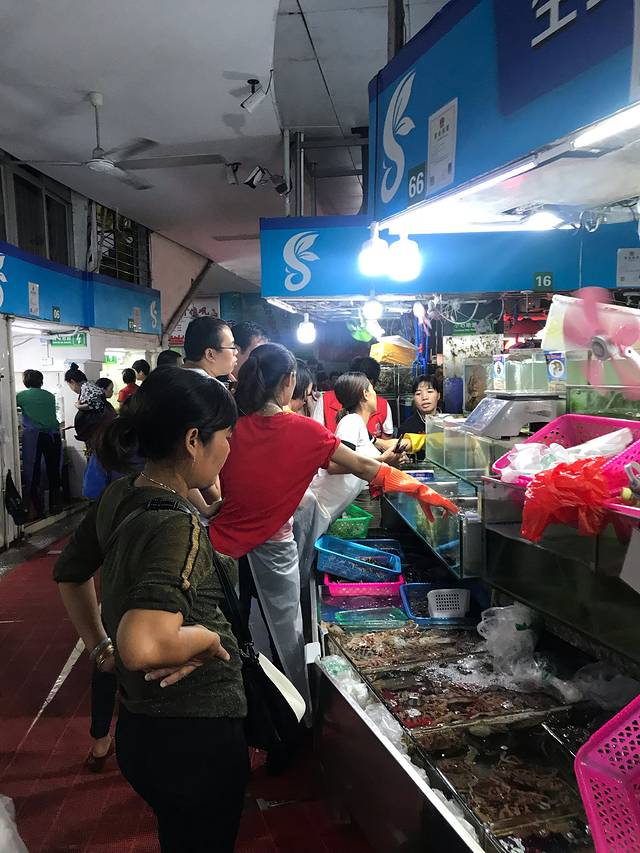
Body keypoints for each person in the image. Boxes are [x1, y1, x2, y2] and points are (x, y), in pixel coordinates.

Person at [54, 368, 248, 853]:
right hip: (194, 735)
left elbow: (70, 574)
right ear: (193, 440)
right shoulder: (176, 525)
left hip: (142, 727)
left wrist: (101, 649)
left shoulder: (122, 493)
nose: (230, 449)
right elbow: (143, 645)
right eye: (226, 437)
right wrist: (207, 639)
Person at [210, 344, 457, 721]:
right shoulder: (304, 431)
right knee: (286, 639)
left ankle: (244, 713)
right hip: (272, 551)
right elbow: (365, 467)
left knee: (233, 634)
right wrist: (419, 489)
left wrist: (211, 505)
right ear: (289, 381)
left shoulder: (229, 428)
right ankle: (297, 718)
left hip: (220, 549)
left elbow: (206, 478)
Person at [16, 369, 62, 517]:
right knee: (54, 471)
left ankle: (37, 509)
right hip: (53, 436)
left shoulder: (21, 396)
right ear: (41, 381)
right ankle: (55, 506)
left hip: (35, 437)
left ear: (25, 381)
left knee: (33, 471)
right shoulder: (49, 395)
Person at [313, 356, 394, 439]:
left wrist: (373, 441)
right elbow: (316, 435)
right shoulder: (326, 400)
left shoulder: (382, 405)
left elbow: (387, 438)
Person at [183, 316, 237, 383]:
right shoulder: (210, 387)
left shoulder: (172, 378)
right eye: (232, 347)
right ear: (210, 354)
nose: (236, 352)